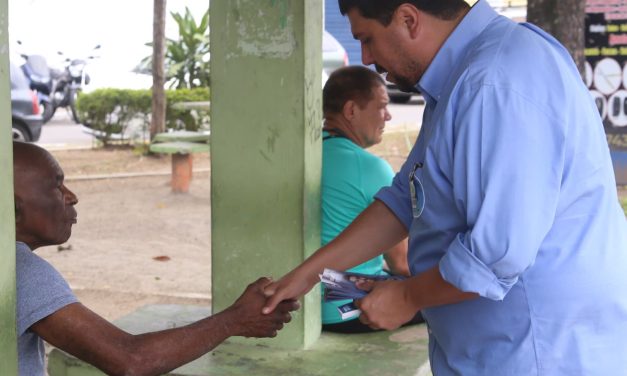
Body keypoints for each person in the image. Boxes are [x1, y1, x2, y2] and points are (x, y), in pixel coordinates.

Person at [263, 1, 627, 374]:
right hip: (495, 349)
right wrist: (308, 275)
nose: (366, 57)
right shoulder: (463, 76)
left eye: (367, 39)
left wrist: (406, 296)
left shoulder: (494, 80)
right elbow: (407, 199)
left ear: (408, 19)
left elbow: (495, 254)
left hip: (537, 353)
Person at [13, 141, 298, 376]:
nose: (71, 196)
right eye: (56, 186)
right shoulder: (22, 272)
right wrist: (235, 319)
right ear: (11, 202)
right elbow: (131, 360)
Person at [319, 66, 412, 333]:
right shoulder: (369, 168)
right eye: (382, 106)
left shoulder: (309, 153)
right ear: (351, 111)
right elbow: (402, 264)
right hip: (348, 310)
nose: (389, 115)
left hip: (307, 299)